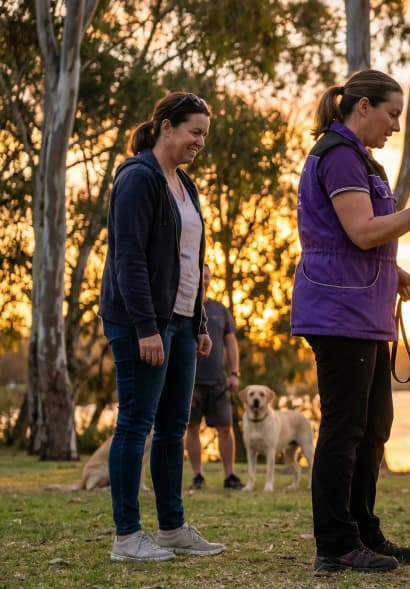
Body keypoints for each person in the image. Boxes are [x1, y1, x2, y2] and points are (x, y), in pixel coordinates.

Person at [291, 69, 410, 575]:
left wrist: (397, 270)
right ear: (362, 107)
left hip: (364, 312)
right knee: (345, 429)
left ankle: (364, 531)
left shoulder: (364, 162)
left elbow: (360, 240)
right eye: (391, 114)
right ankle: (336, 544)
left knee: (373, 429)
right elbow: (363, 232)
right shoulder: (340, 156)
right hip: (339, 313)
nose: (394, 125)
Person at [98, 92, 225, 561]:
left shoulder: (184, 184)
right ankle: (127, 537)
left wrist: (200, 320)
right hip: (142, 323)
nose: (199, 142)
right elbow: (128, 259)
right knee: (135, 424)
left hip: (182, 321)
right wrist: (146, 328)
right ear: (166, 127)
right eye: (194, 132)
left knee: (173, 427)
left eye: (204, 136)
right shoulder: (138, 178)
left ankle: (172, 529)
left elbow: (191, 261)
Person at [186, 264, 243, 490]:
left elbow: (231, 343)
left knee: (225, 428)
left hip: (219, 381)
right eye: (201, 276)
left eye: (208, 277)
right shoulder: (184, 309)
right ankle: (198, 476)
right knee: (191, 429)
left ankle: (230, 475)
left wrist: (235, 373)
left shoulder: (220, 310)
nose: (204, 280)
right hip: (191, 381)